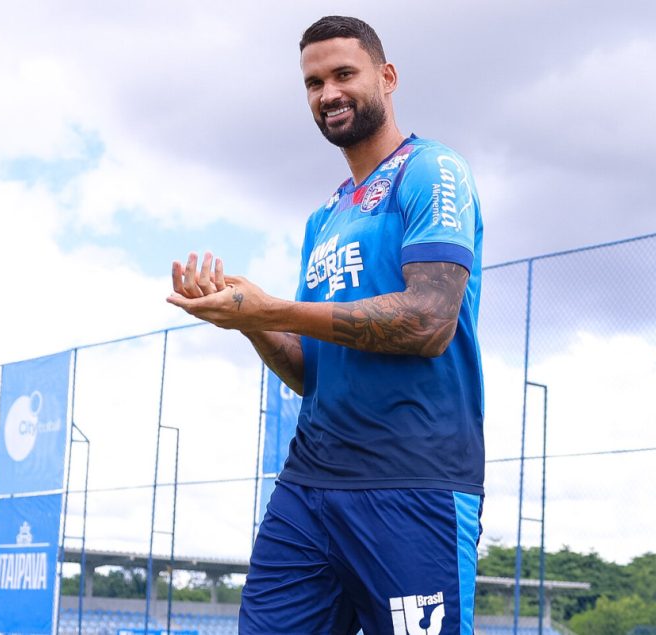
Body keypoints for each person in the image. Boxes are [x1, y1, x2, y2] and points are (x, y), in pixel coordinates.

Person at [167, 15, 484, 635]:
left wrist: (271, 309)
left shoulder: (432, 170)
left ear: (386, 77)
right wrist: (249, 324)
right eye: (314, 83)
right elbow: (312, 373)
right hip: (310, 485)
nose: (329, 93)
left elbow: (429, 322)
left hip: (411, 484)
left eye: (344, 74)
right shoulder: (325, 218)